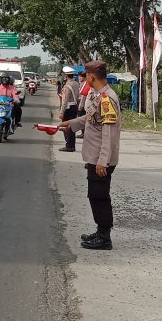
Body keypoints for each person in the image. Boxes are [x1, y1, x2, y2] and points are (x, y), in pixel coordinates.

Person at [57, 60, 120, 250]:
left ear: (92, 76)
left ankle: (104, 237)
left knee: (100, 196)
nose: (85, 78)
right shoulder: (96, 95)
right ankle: (100, 231)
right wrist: (71, 124)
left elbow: (109, 133)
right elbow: (90, 119)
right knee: (95, 195)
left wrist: (103, 161)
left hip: (101, 158)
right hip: (94, 156)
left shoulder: (108, 99)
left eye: (86, 75)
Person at [57, 66, 80, 152]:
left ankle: (69, 145)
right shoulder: (76, 84)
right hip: (74, 106)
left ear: (66, 76)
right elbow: (78, 97)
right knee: (72, 126)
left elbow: (65, 100)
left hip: (68, 108)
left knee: (66, 127)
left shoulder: (67, 86)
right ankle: (71, 145)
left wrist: (61, 112)